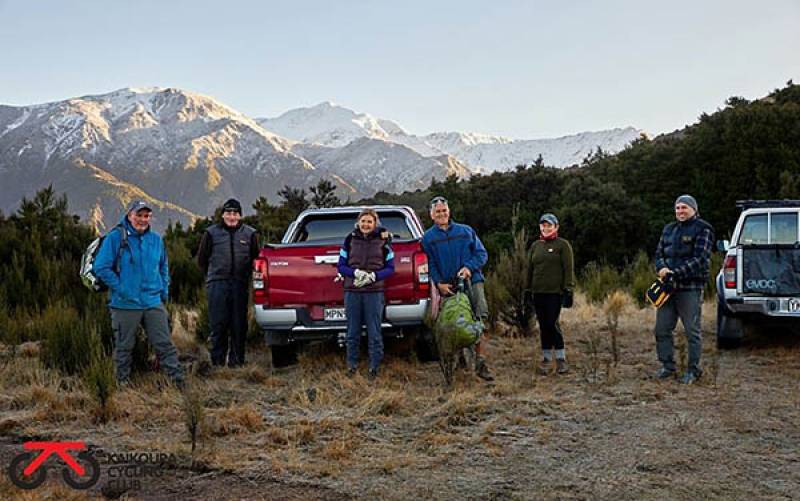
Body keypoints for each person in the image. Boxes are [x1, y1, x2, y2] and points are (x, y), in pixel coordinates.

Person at [94, 200, 185, 388]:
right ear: (129, 215)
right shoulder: (115, 237)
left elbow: (163, 266)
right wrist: (122, 288)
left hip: (152, 301)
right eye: (139, 215)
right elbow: (101, 267)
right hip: (125, 304)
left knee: (164, 344)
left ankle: (178, 383)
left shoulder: (156, 240)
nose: (143, 220)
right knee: (124, 347)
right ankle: (122, 384)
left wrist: (163, 291)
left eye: (146, 216)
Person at [422, 196, 494, 382]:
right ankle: (459, 361)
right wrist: (439, 283)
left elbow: (481, 254)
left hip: (473, 282)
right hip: (448, 287)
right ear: (431, 215)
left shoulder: (465, 231)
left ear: (449, 211)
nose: (442, 214)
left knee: (478, 319)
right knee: (452, 322)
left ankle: (481, 363)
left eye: (444, 210)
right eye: (438, 211)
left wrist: (469, 267)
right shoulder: (428, 238)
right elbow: (429, 264)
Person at [654, 194, 714, 384]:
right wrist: (662, 268)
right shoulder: (668, 229)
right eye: (678, 208)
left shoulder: (703, 229)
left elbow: (700, 258)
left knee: (691, 331)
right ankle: (667, 366)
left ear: (694, 209)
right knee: (661, 329)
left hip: (690, 288)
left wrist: (676, 273)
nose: (680, 211)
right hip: (667, 289)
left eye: (684, 208)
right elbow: (659, 253)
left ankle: (693, 370)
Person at [197, 198, 259, 368]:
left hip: (240, 284)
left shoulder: (250, 234)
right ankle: (217, 362)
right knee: (218, 324)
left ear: (240, 216)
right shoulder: (211, 233)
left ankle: (237, 362)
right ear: (223, 215)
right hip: (217, 284)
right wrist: (212, 277)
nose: (232, 216)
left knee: (239, 325)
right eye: (228, 213)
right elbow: (202, 260)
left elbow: (256, 259)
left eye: (235, 213)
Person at [337, 208, 395, 381]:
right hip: (352, 290)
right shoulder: (349, 240)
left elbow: (391, 268)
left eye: (369, 221)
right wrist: (355, 273)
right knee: (352, 331)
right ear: (358, 222)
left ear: (375, 223)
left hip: (374, 292)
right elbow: (341, 266)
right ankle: (352, 366)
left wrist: (374, 276)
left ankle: (374, 368)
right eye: (363, 221)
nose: (366, 224)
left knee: (374, 331)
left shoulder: (384, 241)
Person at [530, 213, 575, 375]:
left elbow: (568, 269)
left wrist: (568, 289)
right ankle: (547, 358)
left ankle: (561, 359)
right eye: (543, 225)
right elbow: (530, 269)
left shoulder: (562, 245)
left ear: (556, 227)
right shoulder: (536, 245)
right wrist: (528, 290)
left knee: (552, 323)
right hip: (538, 291)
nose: (546, 228)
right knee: (543, 325)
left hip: (555, 292)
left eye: (549, 225)